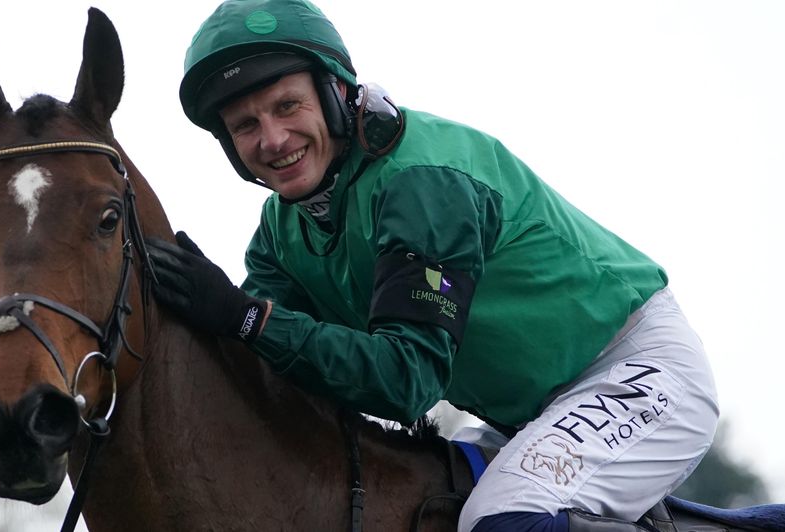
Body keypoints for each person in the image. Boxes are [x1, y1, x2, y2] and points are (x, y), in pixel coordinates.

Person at [146, 1, 719, 530]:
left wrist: (248, 318)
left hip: (634, 372)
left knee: (500, 521)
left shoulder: (423, 186)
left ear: (335, 94)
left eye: (287, 106)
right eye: (245, 125)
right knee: (424, 506)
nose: (272, 139)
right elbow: (263, 362)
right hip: (526, 411)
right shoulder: (282, 228)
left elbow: (405, 383)